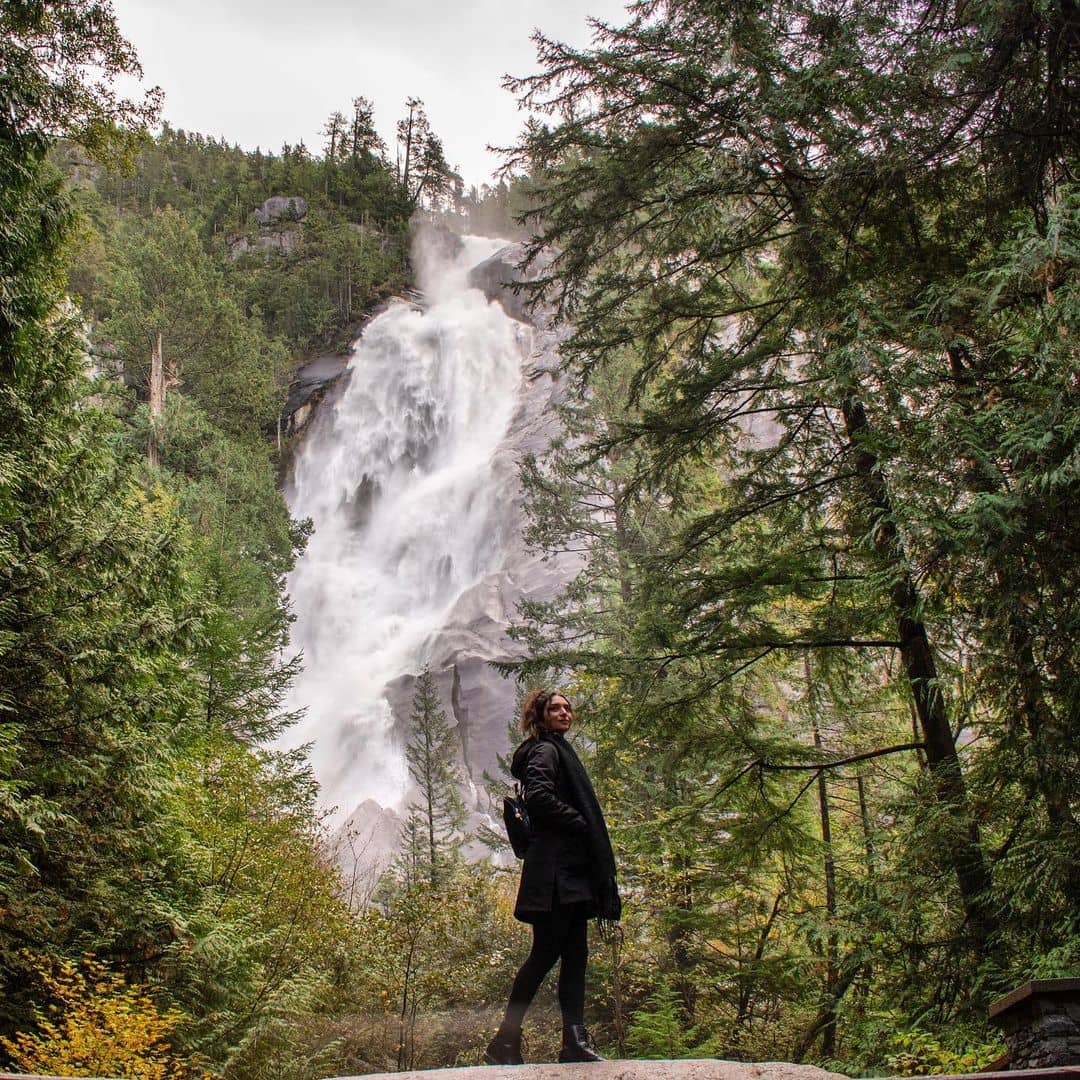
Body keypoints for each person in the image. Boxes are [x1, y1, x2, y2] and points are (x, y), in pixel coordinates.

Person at [485, 689, 621, 1066]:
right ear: (539, 717)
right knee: (544, 956)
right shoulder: (545, 751)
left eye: (567, 707)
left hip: (568, 871)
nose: (564, 713)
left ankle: (571, 1042)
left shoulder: (557, 749)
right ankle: (507, 1040)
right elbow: (540, 797)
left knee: (575, 955)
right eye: (554, 708)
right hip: (556, 873)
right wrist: (579, 823)